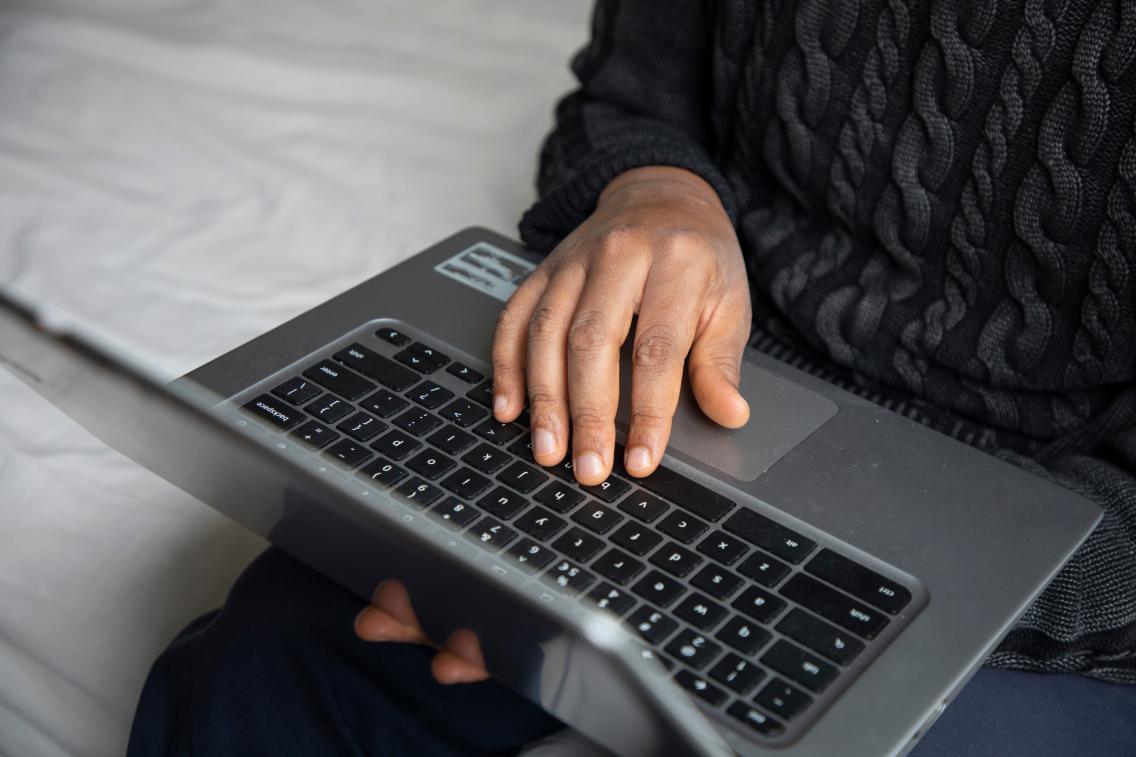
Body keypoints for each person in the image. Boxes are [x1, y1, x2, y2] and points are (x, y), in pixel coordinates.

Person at [129, 1, 1136, 754]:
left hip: (1058, 543)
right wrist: (657, 190)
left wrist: (714, 596)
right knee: (262, 666)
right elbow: (623, 96)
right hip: (681, 399)